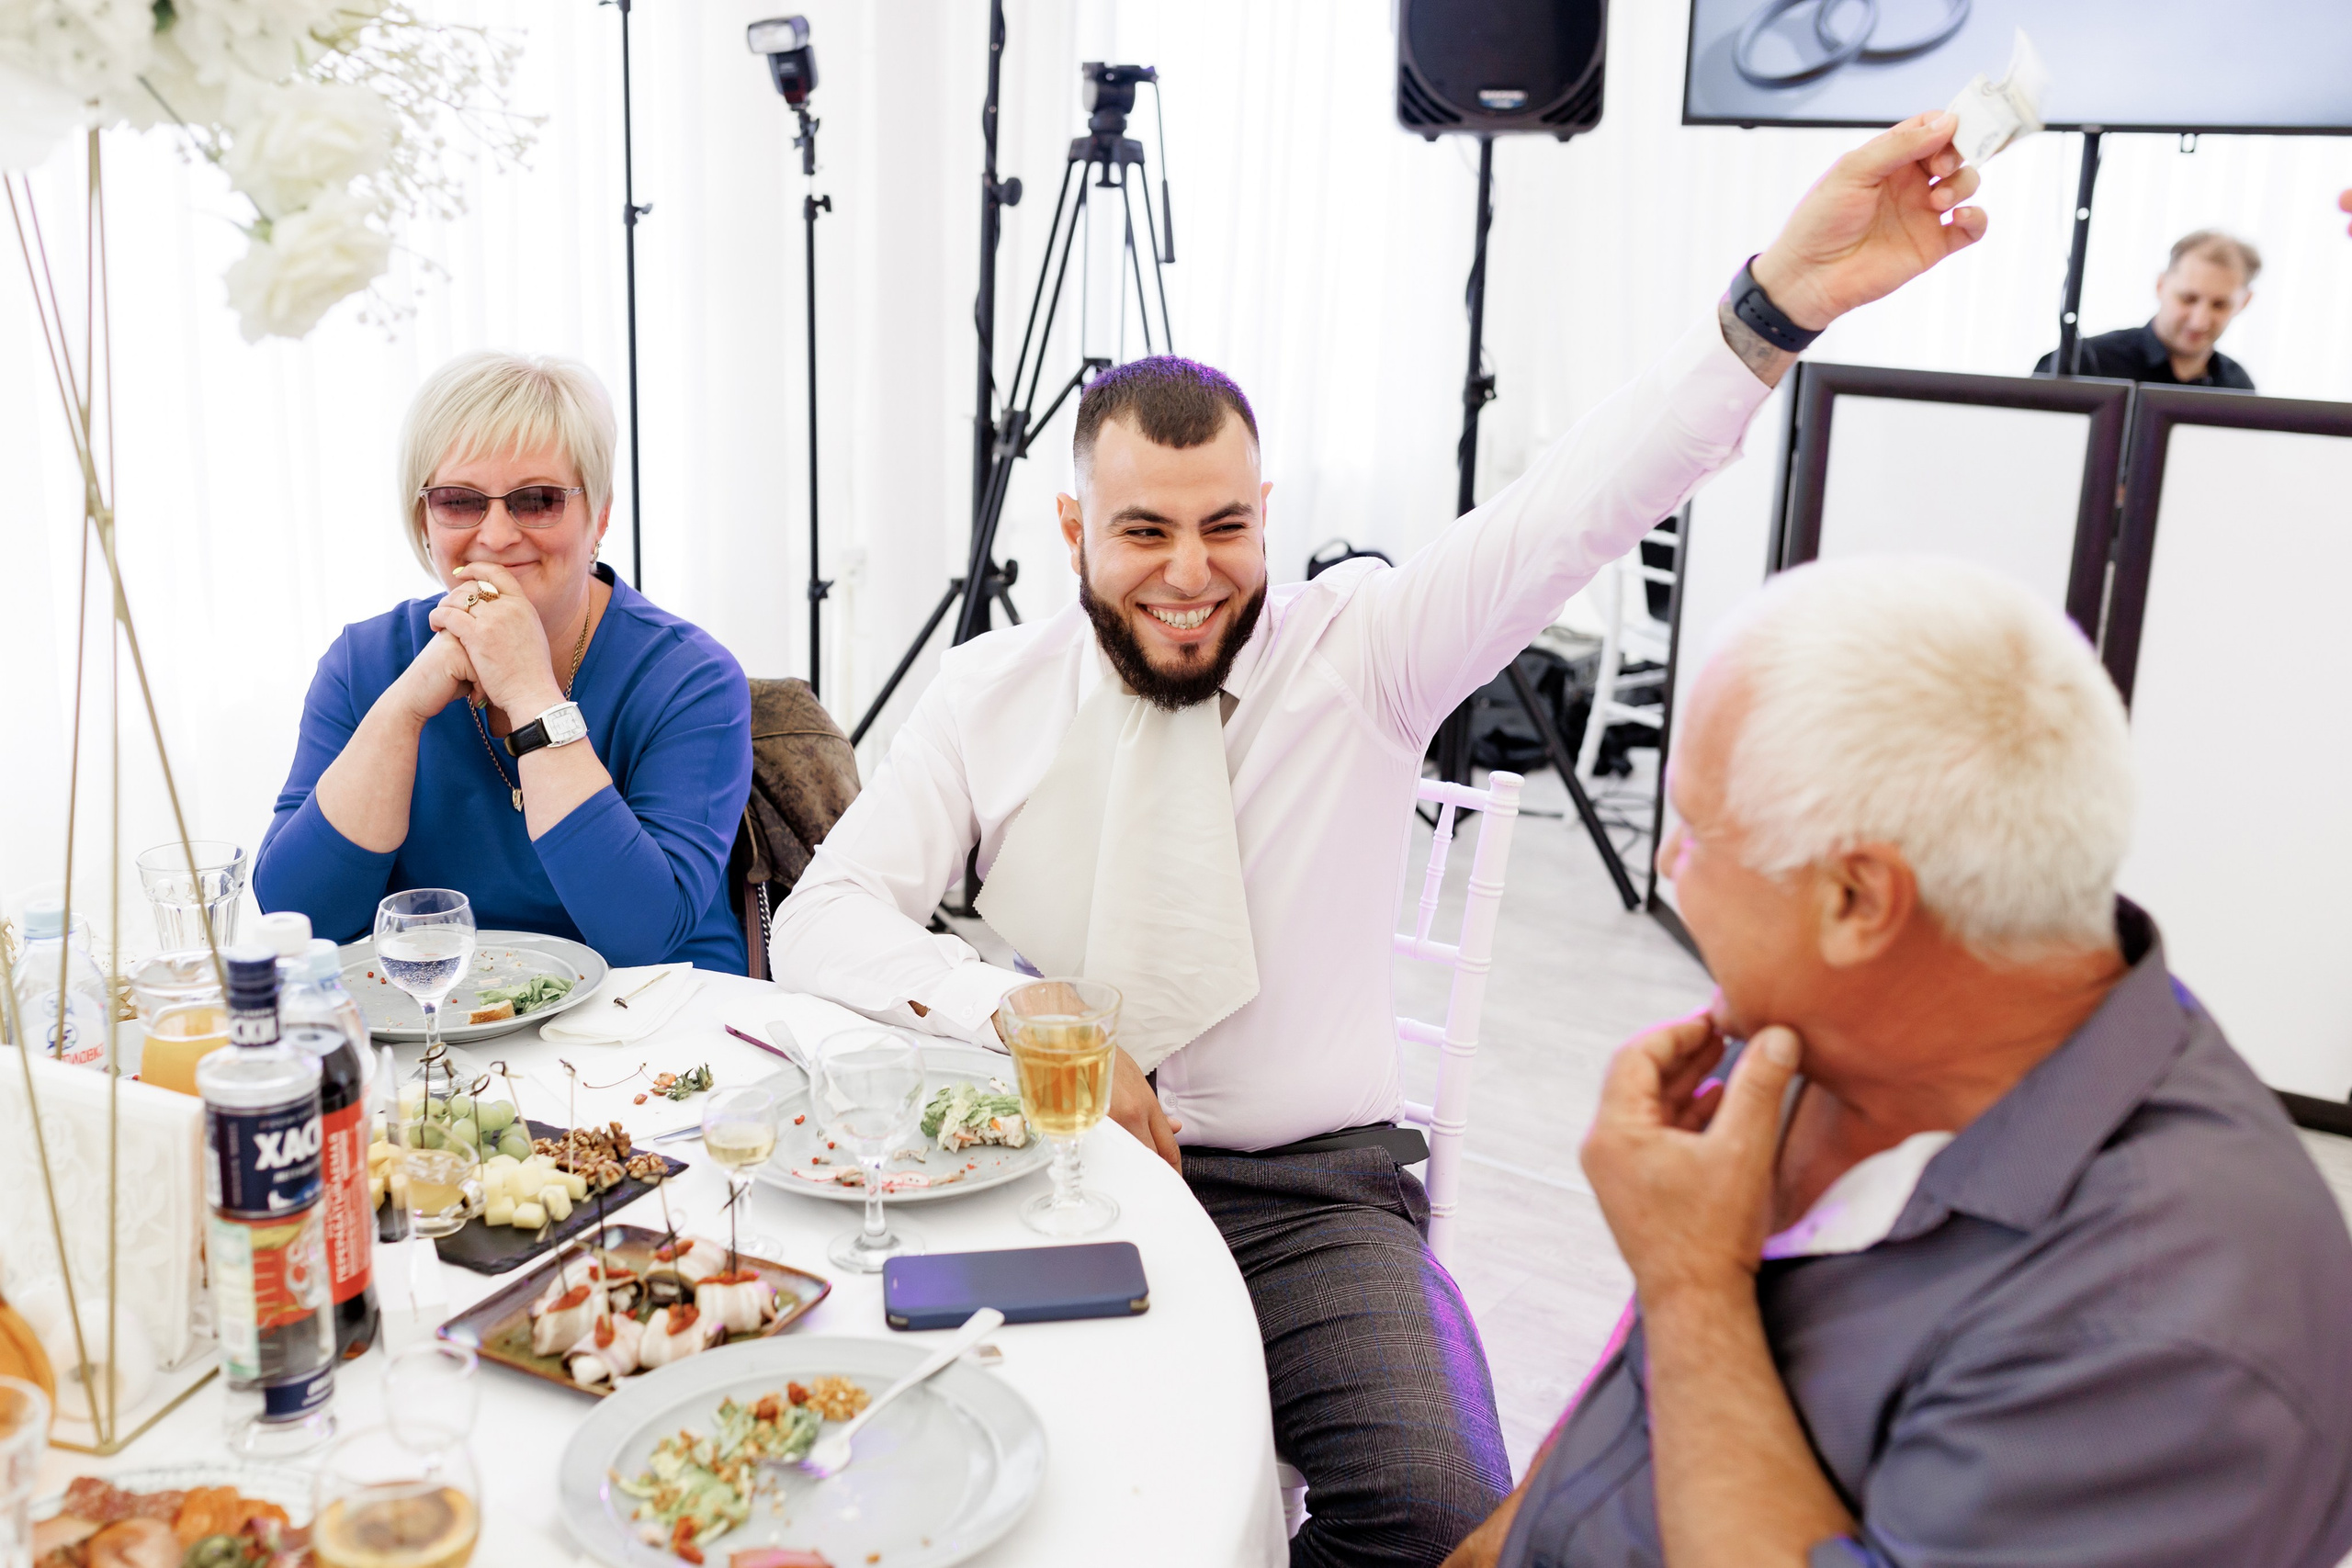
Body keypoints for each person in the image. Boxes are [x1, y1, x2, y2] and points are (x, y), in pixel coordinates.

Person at [773, 111, 1987, 1566]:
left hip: (1311, 1192)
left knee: (1438, 1508)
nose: (1191, 573)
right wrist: (1011, 1007)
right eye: (1144, 530)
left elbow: (1577, 507)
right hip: (1053, 1164)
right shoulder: (989, 691)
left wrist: (1773, 304)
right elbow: (822, 919)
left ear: (1267, 511)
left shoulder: (1368, 651)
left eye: (1226, 525)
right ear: (1072, 524)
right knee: (956, 1480)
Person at [1446, 558, 2352, 1568]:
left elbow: (1682, 1313)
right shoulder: (1814, 1038)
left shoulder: (2174, 1336)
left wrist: (1692, 1282)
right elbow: (1632, 1405)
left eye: (1694, 833)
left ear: (1856, 901)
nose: (1666, 864)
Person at [255, 352, 752, 971]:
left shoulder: (692, 679)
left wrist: (529, 691)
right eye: (459, 501)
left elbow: (643, 932)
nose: (495, 535)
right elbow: (300, 918)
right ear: (424, 519)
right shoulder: (365, 663)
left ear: (598, 515)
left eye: (537, 500)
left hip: (658, 1012)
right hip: (447, 1012)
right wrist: (404, 710)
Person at [2034, 229, 2259, 388]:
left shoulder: (2239, 386)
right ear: (2160, 285)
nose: (2199, 321)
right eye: (2188, 299)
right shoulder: (2082, 364)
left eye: (2220, 305)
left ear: (2245, 302)